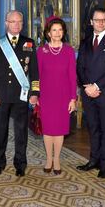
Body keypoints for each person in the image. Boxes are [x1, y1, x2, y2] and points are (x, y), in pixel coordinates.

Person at [0, 10, 39, 177]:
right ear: (6, 23)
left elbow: (34, 71)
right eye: (13, 21)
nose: (16, 25)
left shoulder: (29, 43)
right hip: (2, 95)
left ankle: (20, 164)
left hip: (21, 95)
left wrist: (35, 92)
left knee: (21, 131)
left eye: (20, 22)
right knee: (0, 130)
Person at [76, 7, 105, 178]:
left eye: (104, 19)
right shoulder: (85, 42)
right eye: (97, 20)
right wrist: (86, 86)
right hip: (88, 93)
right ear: (91, 22)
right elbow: (79, 67)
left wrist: (96, 86)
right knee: (93, 128)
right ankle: (93, 160)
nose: (101, 23)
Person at [37, 17, 77, 175]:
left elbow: (72, 76)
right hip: (46, 95)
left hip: (64, 95)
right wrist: (36, 96)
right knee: (48, 129)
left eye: (60, 30)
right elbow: (38, 75)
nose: (57, 33)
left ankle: (57, 159)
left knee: (59, 129)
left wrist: (73, 98)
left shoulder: (68, 51)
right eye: (54, 30)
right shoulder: (41, 51)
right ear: (48, 32)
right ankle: (48, 159)